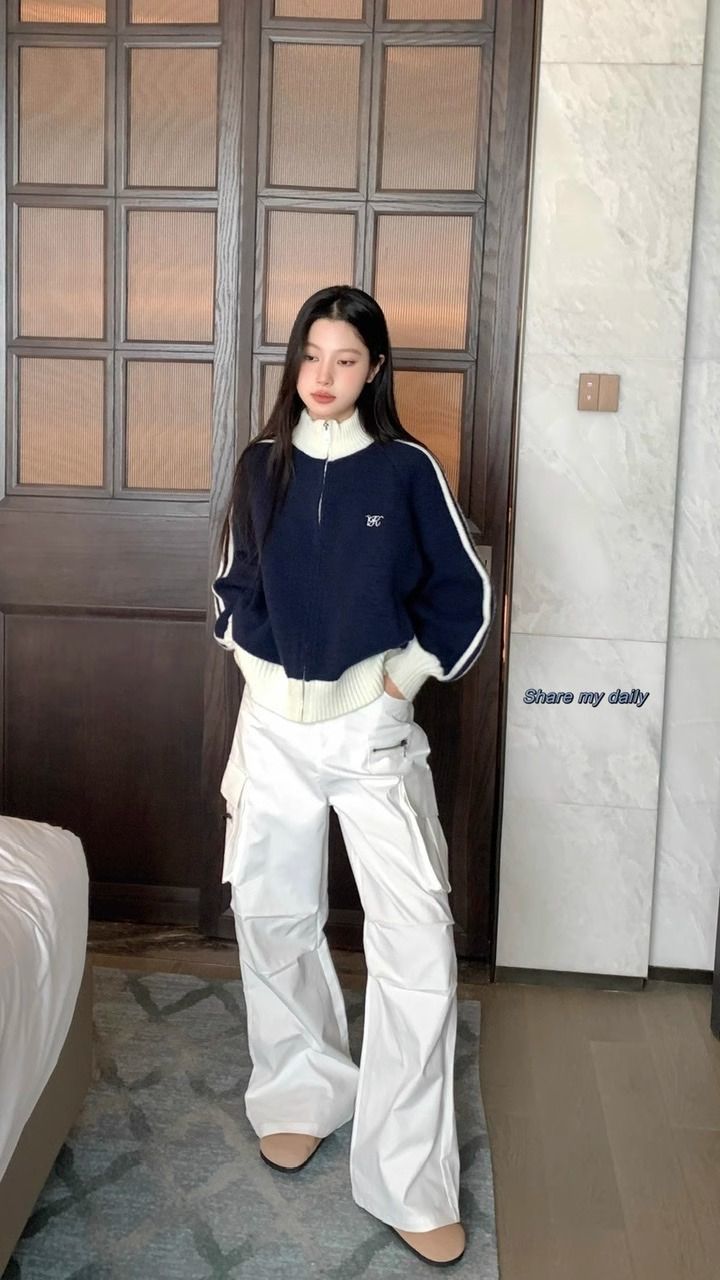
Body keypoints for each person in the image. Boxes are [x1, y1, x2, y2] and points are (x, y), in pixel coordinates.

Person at [211, 284, 493, 1268]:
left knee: (415, 940)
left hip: (372, 741)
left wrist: (399, 681)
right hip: (274, 733)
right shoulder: (262, 464)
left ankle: (409, 1174)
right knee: (273, 914)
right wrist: (256, 666)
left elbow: (465, 595)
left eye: (345, 359)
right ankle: (301, 1089)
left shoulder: (408, 470)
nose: (323, 376)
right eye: (310, 356)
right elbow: (234, 583)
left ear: (375, 369)